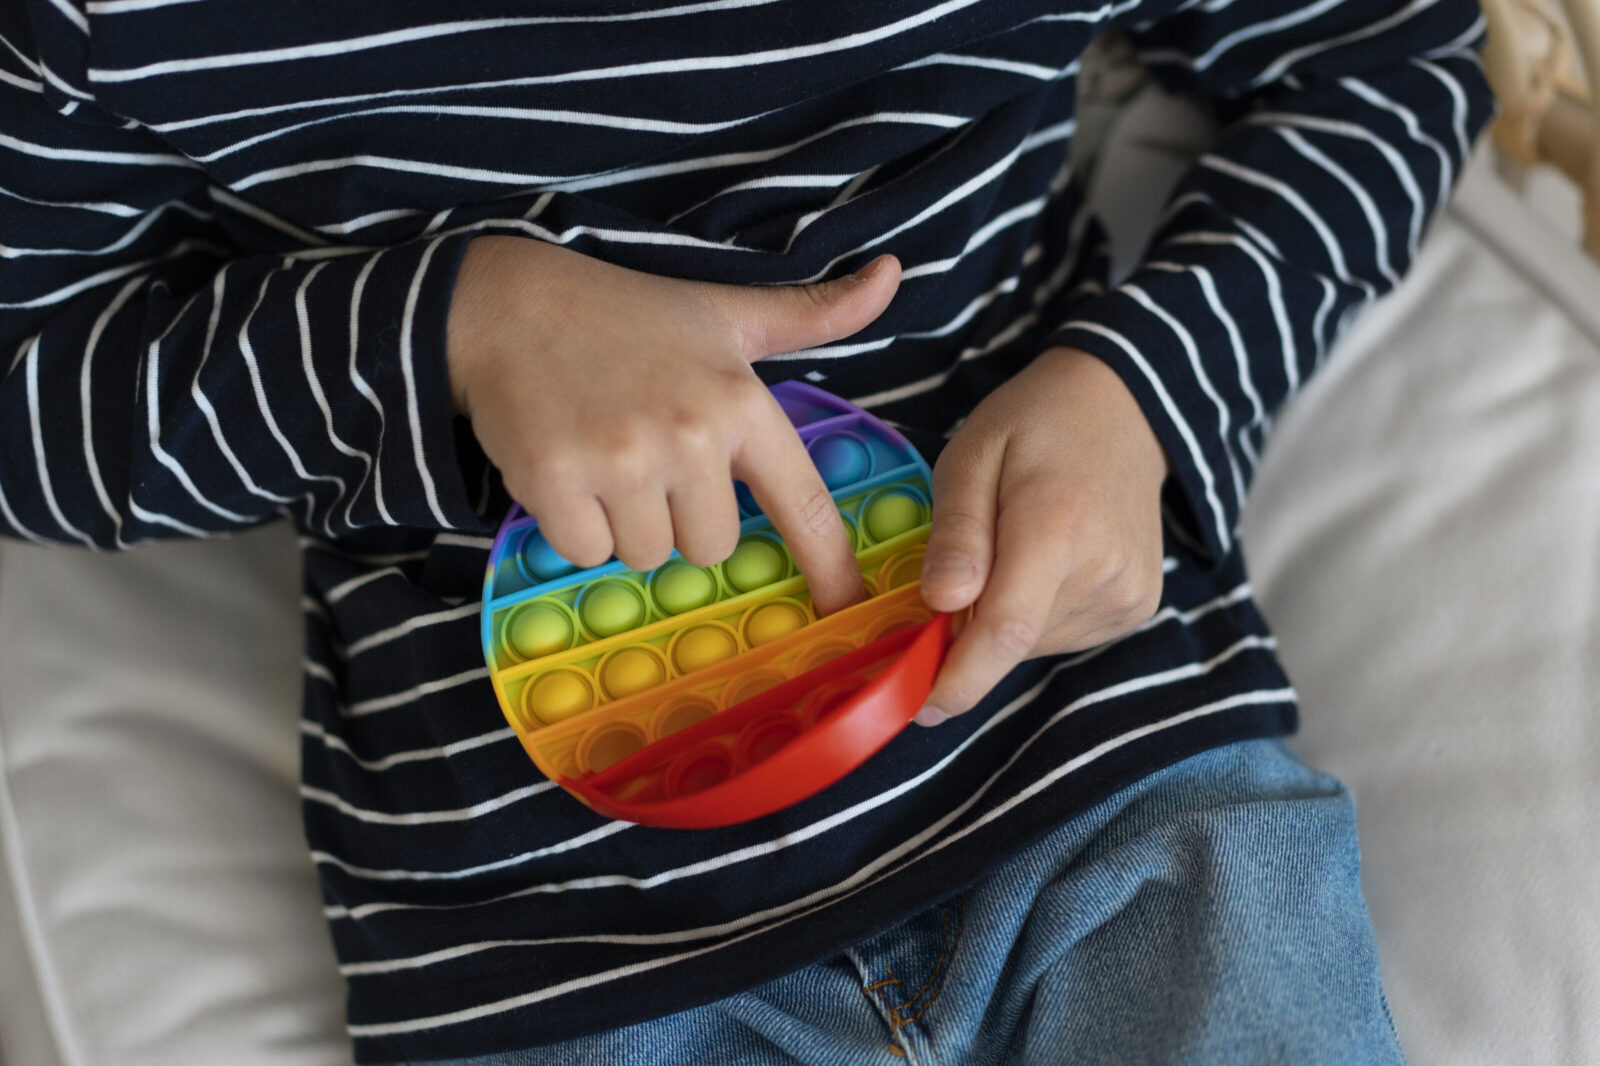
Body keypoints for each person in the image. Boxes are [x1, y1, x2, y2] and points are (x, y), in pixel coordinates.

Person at [0, 1, 1492, 1063]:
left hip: (1107, 779)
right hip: (564, 947)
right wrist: (456, 324)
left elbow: (1386, 56)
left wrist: (1145, 391)